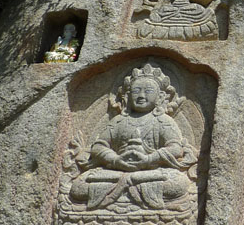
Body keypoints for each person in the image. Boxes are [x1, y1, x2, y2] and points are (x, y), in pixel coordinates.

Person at [69, 63, 195, 211]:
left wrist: (149, 159)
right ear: (127, 96)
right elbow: (98, 146)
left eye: (148, 91)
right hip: (116, 171)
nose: (141, 96)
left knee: (178, 183)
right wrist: (116, 160)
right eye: (136, 90)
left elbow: (175, 149)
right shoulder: (119, 121)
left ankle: (122, 192)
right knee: (78, 187)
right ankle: (127, 189)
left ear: (161, 96)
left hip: (150, 172)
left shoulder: (163, 121)